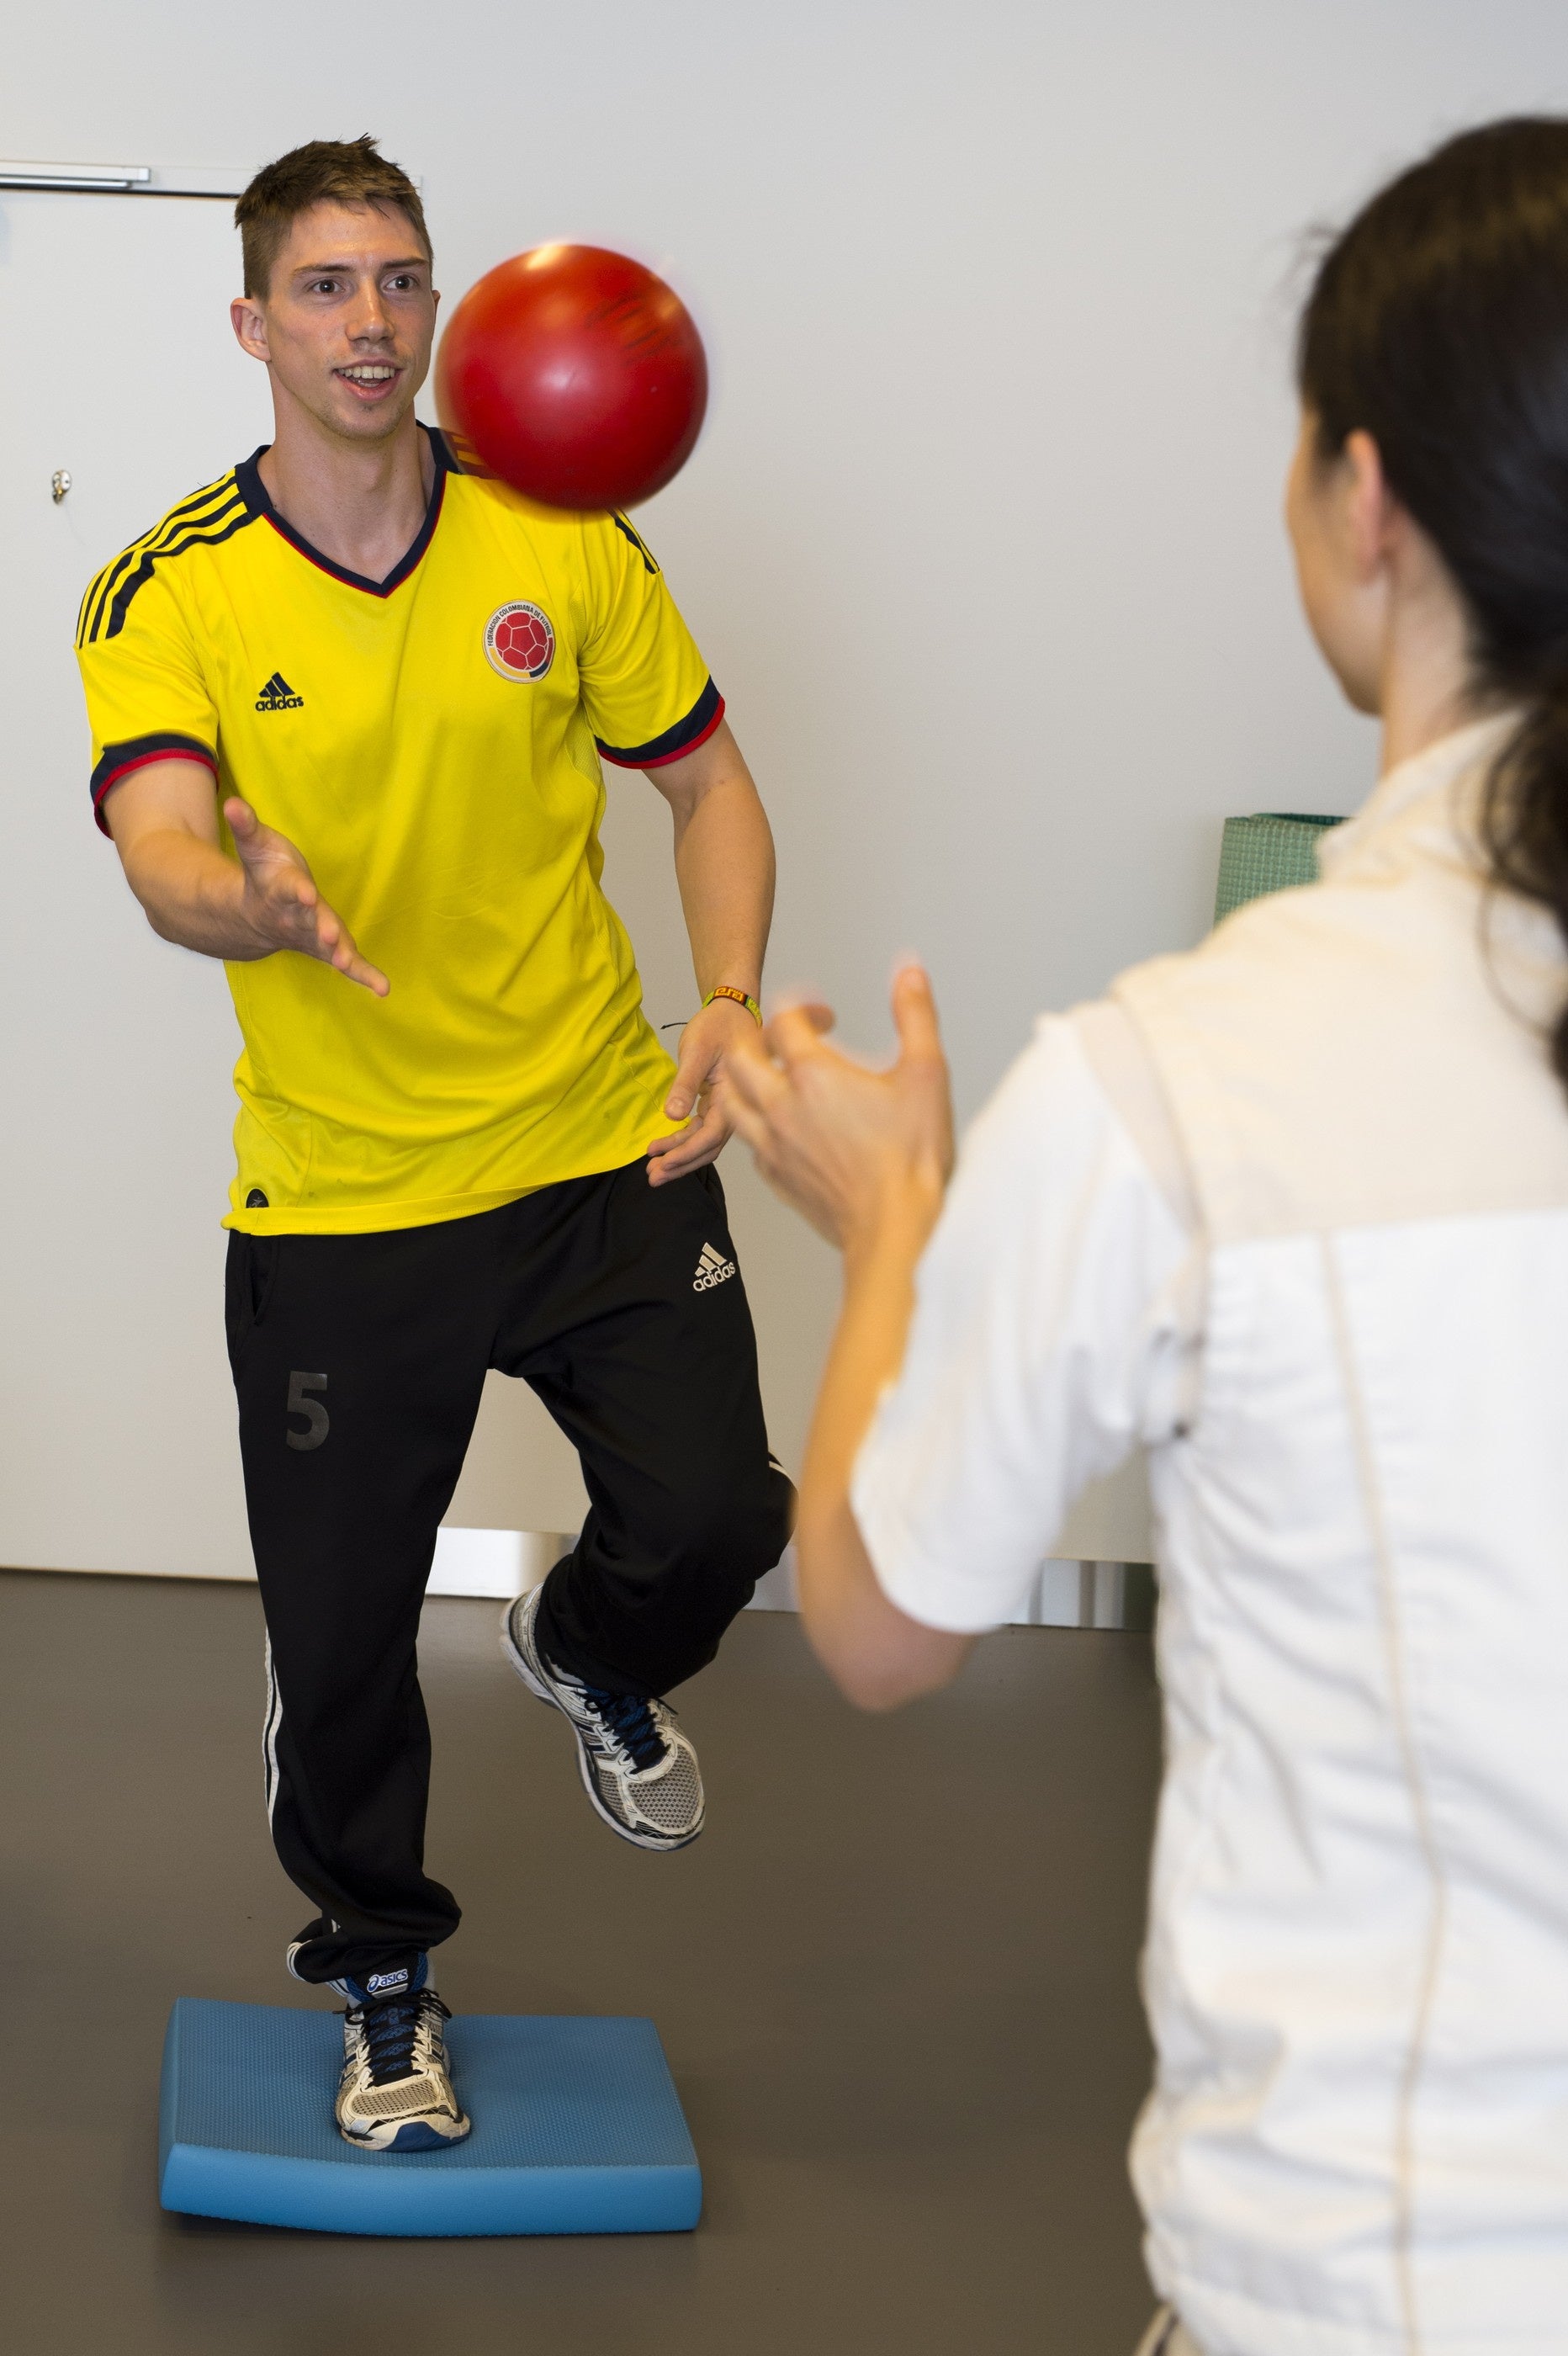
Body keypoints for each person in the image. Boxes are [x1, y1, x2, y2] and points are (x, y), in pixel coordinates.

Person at [722, 116, 1568, 2355]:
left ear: (1362, 502)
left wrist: (894, 1212)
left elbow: (890, 1613)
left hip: (1380, 2288)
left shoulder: (1183, 1073)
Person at [76, 137, 792, 2153]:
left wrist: (721, 1004)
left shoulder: (559, 535)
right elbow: (158, 848)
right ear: (251, 323)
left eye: (399, 280)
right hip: (345, 1198)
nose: (370, 321)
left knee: (723, 1517)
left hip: (591, 1145)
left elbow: (711, 783)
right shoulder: (168, 589)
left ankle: (581, 1646)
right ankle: (382, 1974)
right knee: (342, 1642)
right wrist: (246, 901)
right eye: (323, 288)